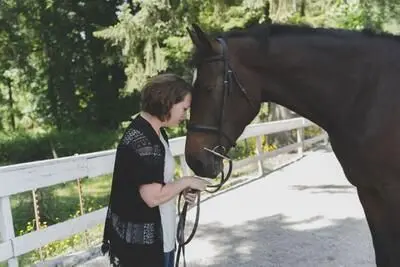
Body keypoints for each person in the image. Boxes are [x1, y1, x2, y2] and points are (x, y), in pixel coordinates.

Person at [101, 73, 209, 267]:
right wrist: (186, 181)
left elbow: (155, 180)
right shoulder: (142, 140)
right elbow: (152, 197)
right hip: (143, 251)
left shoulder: (157, 134)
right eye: (184, 108)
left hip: (162, 238)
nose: (185, 115)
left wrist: (180, 189)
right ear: (167, 102)